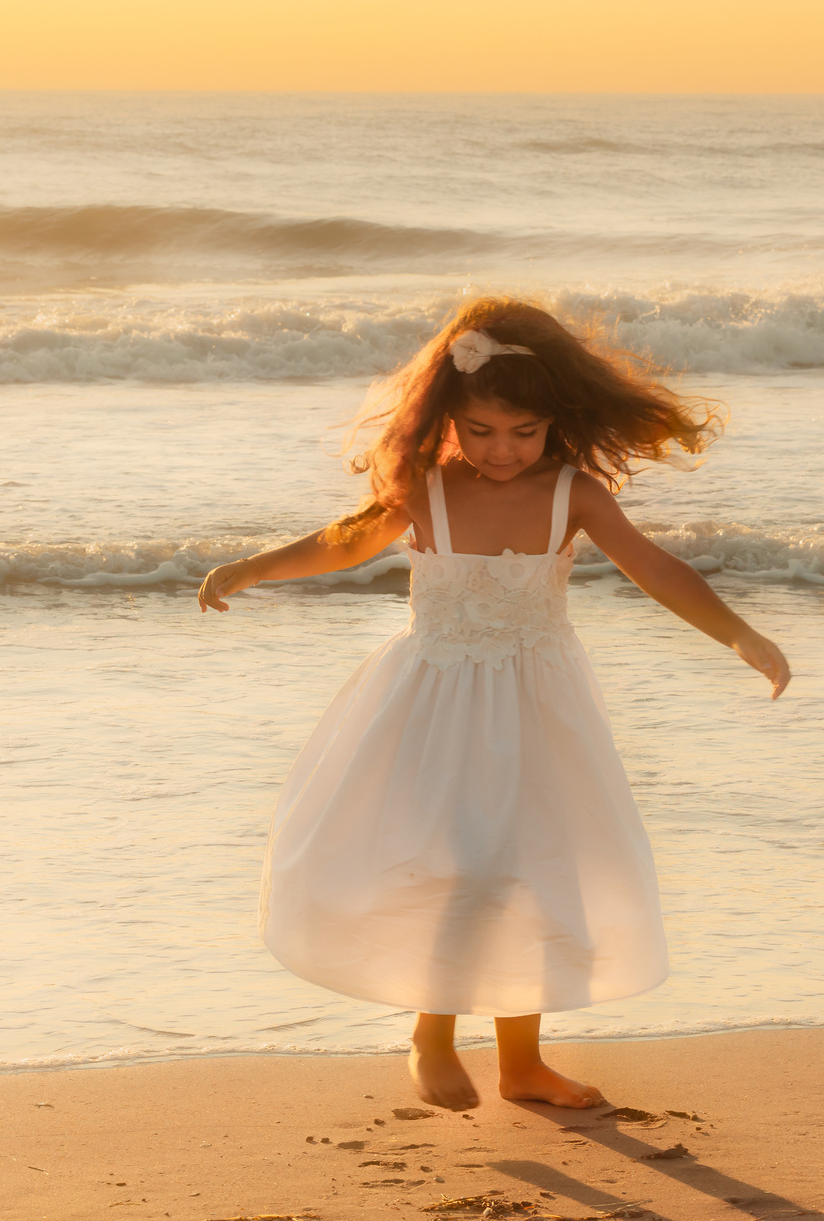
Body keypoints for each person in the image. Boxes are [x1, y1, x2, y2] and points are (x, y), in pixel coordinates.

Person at [199, 299, 790, 1110]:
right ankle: (430, 1035)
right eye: (480, 431)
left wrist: (740, 636)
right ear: (448, 418)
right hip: (432, 704)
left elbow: (658, 570)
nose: (502, 450)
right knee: (465, 868)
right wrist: (253, 567)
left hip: (540, 708)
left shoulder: (572, 494)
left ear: (555, 422)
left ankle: (522, 1063)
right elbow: (342, 541)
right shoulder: (426, 490)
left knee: (537, 869)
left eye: (523, 432)